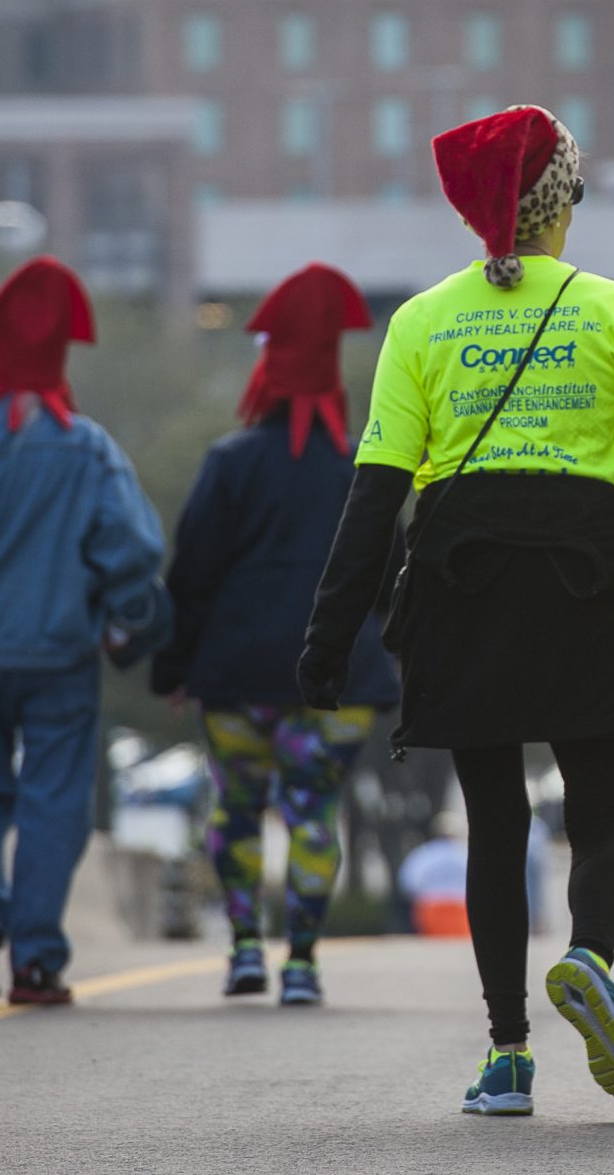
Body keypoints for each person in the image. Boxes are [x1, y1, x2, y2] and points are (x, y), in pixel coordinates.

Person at [298, 104, 614, 1118]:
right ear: (560, 203)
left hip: (462, 580)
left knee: (493, 827)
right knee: (604, 820)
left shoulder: (423, 321)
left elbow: (375, 494)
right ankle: (592, 963)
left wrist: (326, 638)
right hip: (588, 575)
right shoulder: (610, 310)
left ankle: (508, 1054)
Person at [0, 255, 171, 1007]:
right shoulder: (90, 450)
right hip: (61, 658)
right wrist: (114, 612)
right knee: (53, 801)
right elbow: (137, 549)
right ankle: (37, 962)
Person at [149, 262, 396, 1007]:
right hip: (339, 681)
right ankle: (304, 964)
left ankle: (246, 950)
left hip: (237, 674)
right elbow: (391, 574)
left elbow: (190, 577)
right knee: (313, 813)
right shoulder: (362, 466)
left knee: (236, 806)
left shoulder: (229, 464)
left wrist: (173, 669)